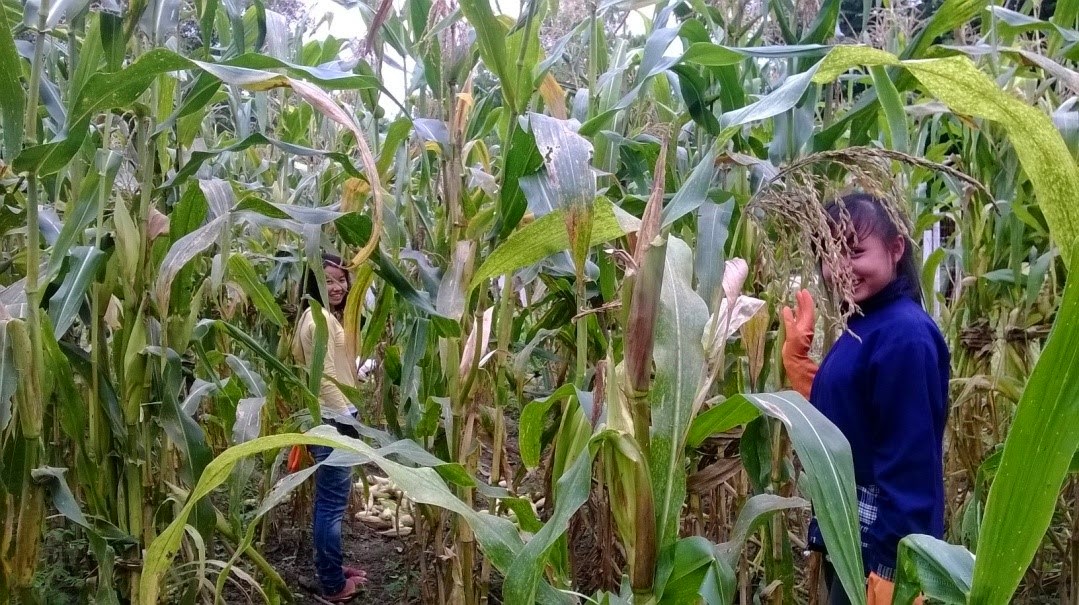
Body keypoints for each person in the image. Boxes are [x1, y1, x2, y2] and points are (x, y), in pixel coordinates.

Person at [781, 193, 949, 605]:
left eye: (855, 252)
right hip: (854, 537)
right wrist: (801, 367)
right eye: (827, 253)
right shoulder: (867, 323)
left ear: (895, 250)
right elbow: (853, 418)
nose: (838, 268)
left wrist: (893, 569)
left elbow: (910, 462)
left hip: (880, 549)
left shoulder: (903, 335)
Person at [292, 254, 367, 602]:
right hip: (333, 421)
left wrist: (359, 372)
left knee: (329, 502)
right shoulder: (318, 320)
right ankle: (332, 584)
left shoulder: (313, 315)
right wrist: (348, 418)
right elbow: (323, 382)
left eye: (341, 280)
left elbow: (330, 370)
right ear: (315, 283)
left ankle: (331, 569)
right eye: (328, 280)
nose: (337, 287)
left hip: (328, 418)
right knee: (331, 505)